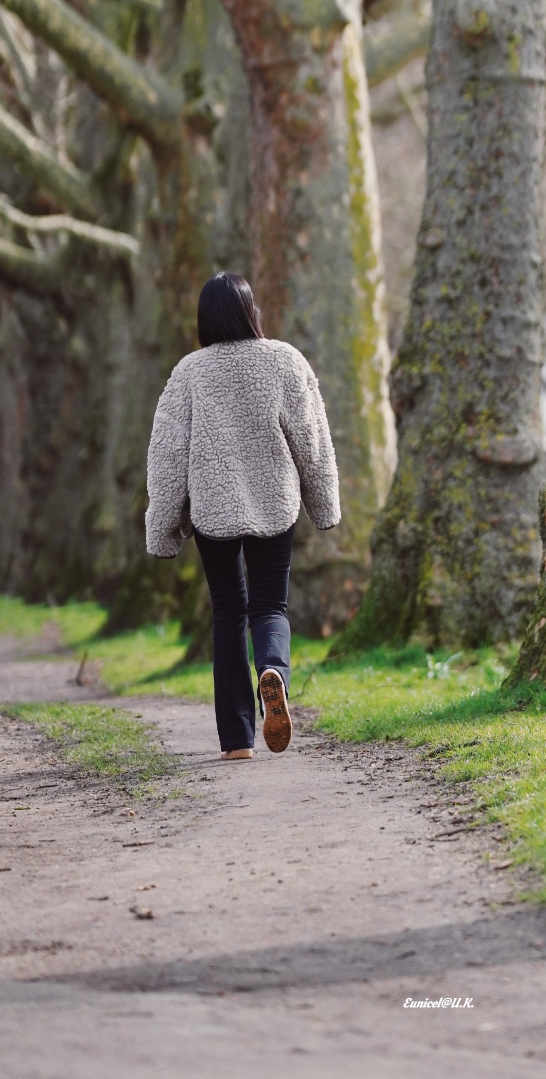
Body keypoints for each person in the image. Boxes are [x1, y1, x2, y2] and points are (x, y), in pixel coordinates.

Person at [144, 273, 340, 760]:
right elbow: (312, 443)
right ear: (252, 311)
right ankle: (273, 671)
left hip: (213, 507)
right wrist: (324, 505)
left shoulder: (189, 372)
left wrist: (162, 527)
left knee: (229, 612)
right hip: (276, 501)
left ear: (203, 318)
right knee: (271, 607)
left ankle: (237, 740)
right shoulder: (285, 361)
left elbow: (167, 454)